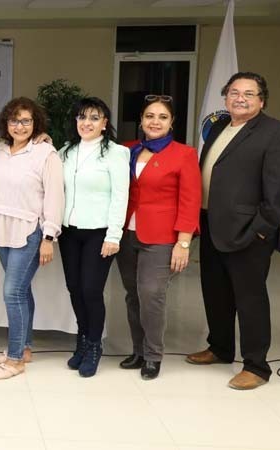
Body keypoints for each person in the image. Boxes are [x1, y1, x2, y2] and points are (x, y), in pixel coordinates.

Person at [187, 72, 280, 390]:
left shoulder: (277, 133)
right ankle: (220, 348)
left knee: (250, 299)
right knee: (216, 292)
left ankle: (256, 366)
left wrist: (262, 230)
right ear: (225, 97)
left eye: (249, 93)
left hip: (249, 231)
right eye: (234, 92)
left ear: (261, 100)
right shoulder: (219, 126)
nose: (240, 98)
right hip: (211, 224)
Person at [115, 95, 201, 380]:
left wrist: (183, 242)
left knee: (152, 294)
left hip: (162, 237)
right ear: (141, 120)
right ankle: (138, 351)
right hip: (126, 233)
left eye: (162, 117)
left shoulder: (183, 154)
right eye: (150, 116)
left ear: (172, 121)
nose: (155, 121)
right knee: (132, 295)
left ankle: (153, 355)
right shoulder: (127, 150)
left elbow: (190, 200)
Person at [0, 97, 64, 379]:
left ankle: (15, 359)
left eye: (26, 121)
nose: (20, 126)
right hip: (1, 229)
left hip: (30, 231)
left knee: (12, 292)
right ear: (7, 123)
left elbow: (55, 196)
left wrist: (48, 237)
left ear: (35, 123)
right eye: (15, 120)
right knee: (22, 291)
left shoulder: (46, 153)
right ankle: (25, 347)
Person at [58, 97, 129, 377]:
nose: (86, 123)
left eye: (94, 118)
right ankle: (82, 339)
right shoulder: (65, 152)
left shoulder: (115, 152)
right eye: (82, 117)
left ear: (104, 123)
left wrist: (115, 235)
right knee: (74, 288)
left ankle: (94, 345)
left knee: (91, 290)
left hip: (99, 232)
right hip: (69, 231)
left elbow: (121, 196)